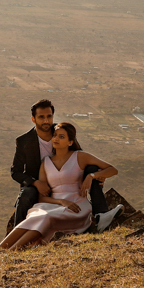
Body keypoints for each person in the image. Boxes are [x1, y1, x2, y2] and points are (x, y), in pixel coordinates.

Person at [0, 122, 119, 250]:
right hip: (52, 204)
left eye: (61, 137)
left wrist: (92, 176)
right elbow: (41, 198)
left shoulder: (80, 156)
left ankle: (10, 252)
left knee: (46, 217)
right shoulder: (45, 163)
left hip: (77, 205)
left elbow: (113, 169)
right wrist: (61, 201)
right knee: (37, 216)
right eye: (55, 135)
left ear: (70, 142)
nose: (56, 139)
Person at [9, 99, 114, 232]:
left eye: (49, 116)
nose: (46, 120)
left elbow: (78, 156)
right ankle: (17, 232)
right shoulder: (23, 141)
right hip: (42, 185)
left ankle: (101, 215)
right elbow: (15, 172)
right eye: (41, 117)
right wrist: (35, 183)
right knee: (26, 193)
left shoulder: (61, 131)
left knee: (91, 169)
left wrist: (97, 174)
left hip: (67, 179)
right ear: (33, 119)